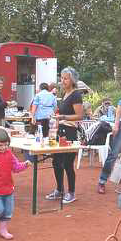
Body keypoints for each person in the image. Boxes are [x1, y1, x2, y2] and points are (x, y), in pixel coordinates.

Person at [45, 67, 83, 204]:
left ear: (72, 80)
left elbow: (80, 116)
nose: (63, 80)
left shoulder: (76, 94)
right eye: (61, 78)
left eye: (66, 78)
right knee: (56, 162)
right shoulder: (63, 93)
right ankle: (59, 189)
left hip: (70, 133)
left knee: (67, 164)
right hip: (60, 131)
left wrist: (63, 116)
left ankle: (71, 192)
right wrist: (57, 117)